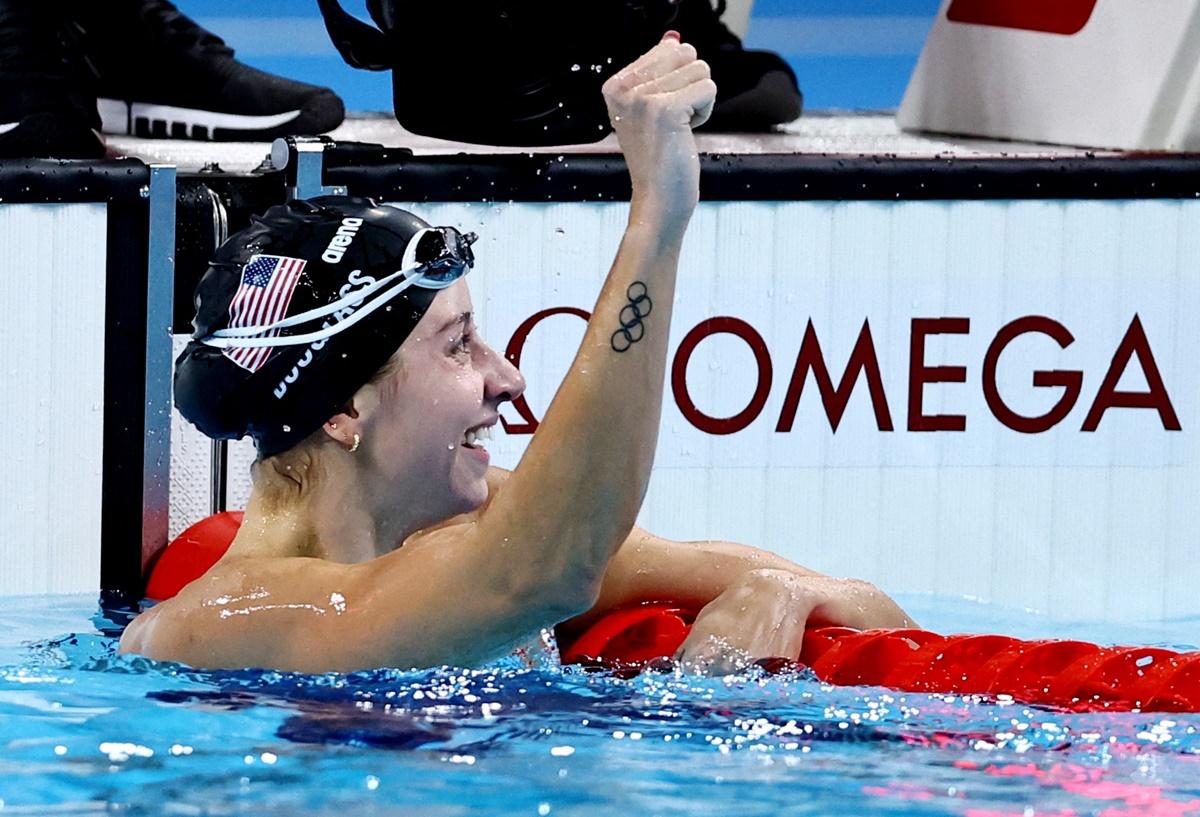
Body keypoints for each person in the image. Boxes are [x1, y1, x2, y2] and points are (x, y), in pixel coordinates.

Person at [120, 33, 911, 674]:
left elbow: (863, 605)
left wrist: (783, 599)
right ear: (340, 411)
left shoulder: (461, 521)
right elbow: (552, 563)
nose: (509, 377)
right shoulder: (226, 626)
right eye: (458, 345)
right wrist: (657, 215)